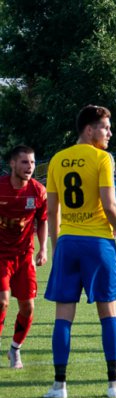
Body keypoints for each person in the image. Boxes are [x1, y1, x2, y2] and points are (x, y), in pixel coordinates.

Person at [43, 105, 116, 398]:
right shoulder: (102, 158)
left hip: (68, 242)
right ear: (89, 129)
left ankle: (59, 386)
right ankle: (114, 384)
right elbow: (110, 205)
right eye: (105, 127)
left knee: (62, 318)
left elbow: (52, 210)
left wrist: (57, 247)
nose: (109, 133)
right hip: (97, 243)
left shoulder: (57, 159)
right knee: (108, 315)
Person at [0, 145, 47, 369]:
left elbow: (43, 220)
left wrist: (43, 249)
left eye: (32, 162)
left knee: (28, 307)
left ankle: (14, 349)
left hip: (24, 256)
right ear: (12, 164)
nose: (29, 167)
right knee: (2, 301)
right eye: (24, 162)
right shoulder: (1, 188)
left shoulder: (38, 191)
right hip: (1, 256)